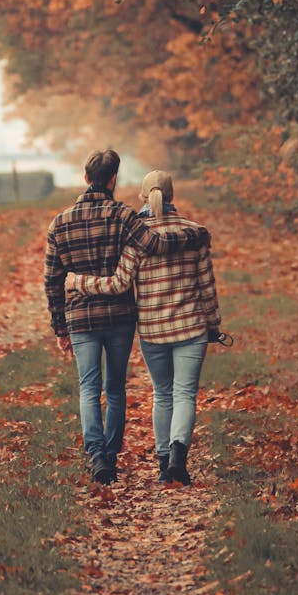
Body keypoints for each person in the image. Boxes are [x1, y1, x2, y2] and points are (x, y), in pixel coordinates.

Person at [45, 150, 209, 485]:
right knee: (115, 387)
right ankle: (112, 450)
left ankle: (98, 457)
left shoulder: (59, 223)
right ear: (113, 180)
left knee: (88, 387)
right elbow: (156, 244)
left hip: (80, 318)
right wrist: (196, 234)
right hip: (119, 316)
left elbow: (51, 280)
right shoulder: (123, 216)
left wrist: (60, 327)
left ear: (86, 177)